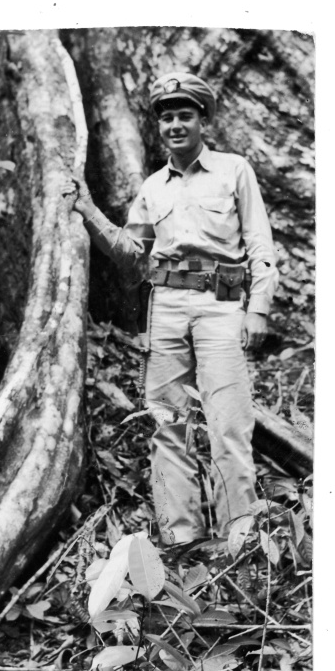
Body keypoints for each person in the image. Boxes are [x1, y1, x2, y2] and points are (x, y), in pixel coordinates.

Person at [62, 72, 278, 546]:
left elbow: (260, 244)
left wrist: (258, 307)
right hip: (165, 309)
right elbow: (130, 253)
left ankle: (239, 537)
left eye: (185, 116)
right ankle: (182, 539)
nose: (175, 125)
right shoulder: (152, 187)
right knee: (167, 422)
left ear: (203, 120)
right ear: (158, 126)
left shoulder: (234, 170)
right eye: (167, 118)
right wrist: (88, 209)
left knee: (227, 420)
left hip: (221, 304)